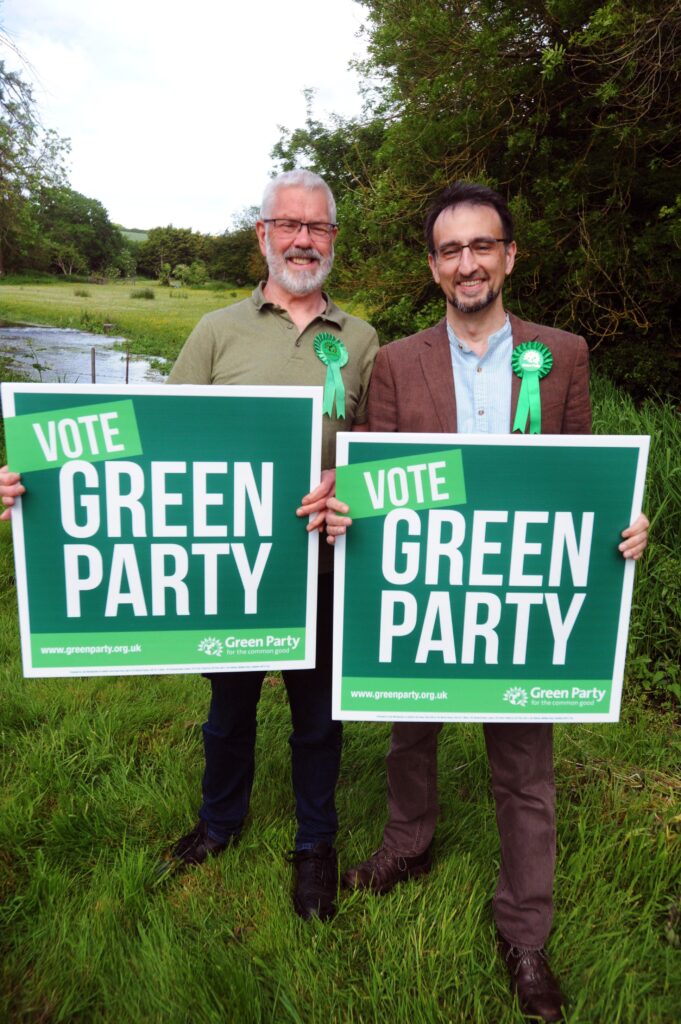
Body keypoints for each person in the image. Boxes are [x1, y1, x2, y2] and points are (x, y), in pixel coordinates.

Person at [0, 169, 379, 923]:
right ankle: (219, 822)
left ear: (333, 239)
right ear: (263, 235)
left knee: (318, 718)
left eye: (319, 228)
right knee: (227, 707)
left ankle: (316, 845)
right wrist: (39, 476)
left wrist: (350, 478)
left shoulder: (363, 339)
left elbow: (382, 455)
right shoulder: (215, 330)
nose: (304, 240)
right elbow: (157, 440)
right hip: (227, 568)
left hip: (322, 563)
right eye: (290, 225)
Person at [325, 182, 648, 1021]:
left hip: (515, 596)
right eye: (449, 250)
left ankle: (525, 934)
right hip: (424, 592)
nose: (466, 263)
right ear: (433, 268)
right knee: (410, 732)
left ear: (508, 256)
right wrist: (343, 505)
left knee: (525, 768)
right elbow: (374, 483)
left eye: (482, 246)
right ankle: (408, 845)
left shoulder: (562, 353)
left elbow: (580, 476)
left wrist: (623, 519)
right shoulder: (394, 363)